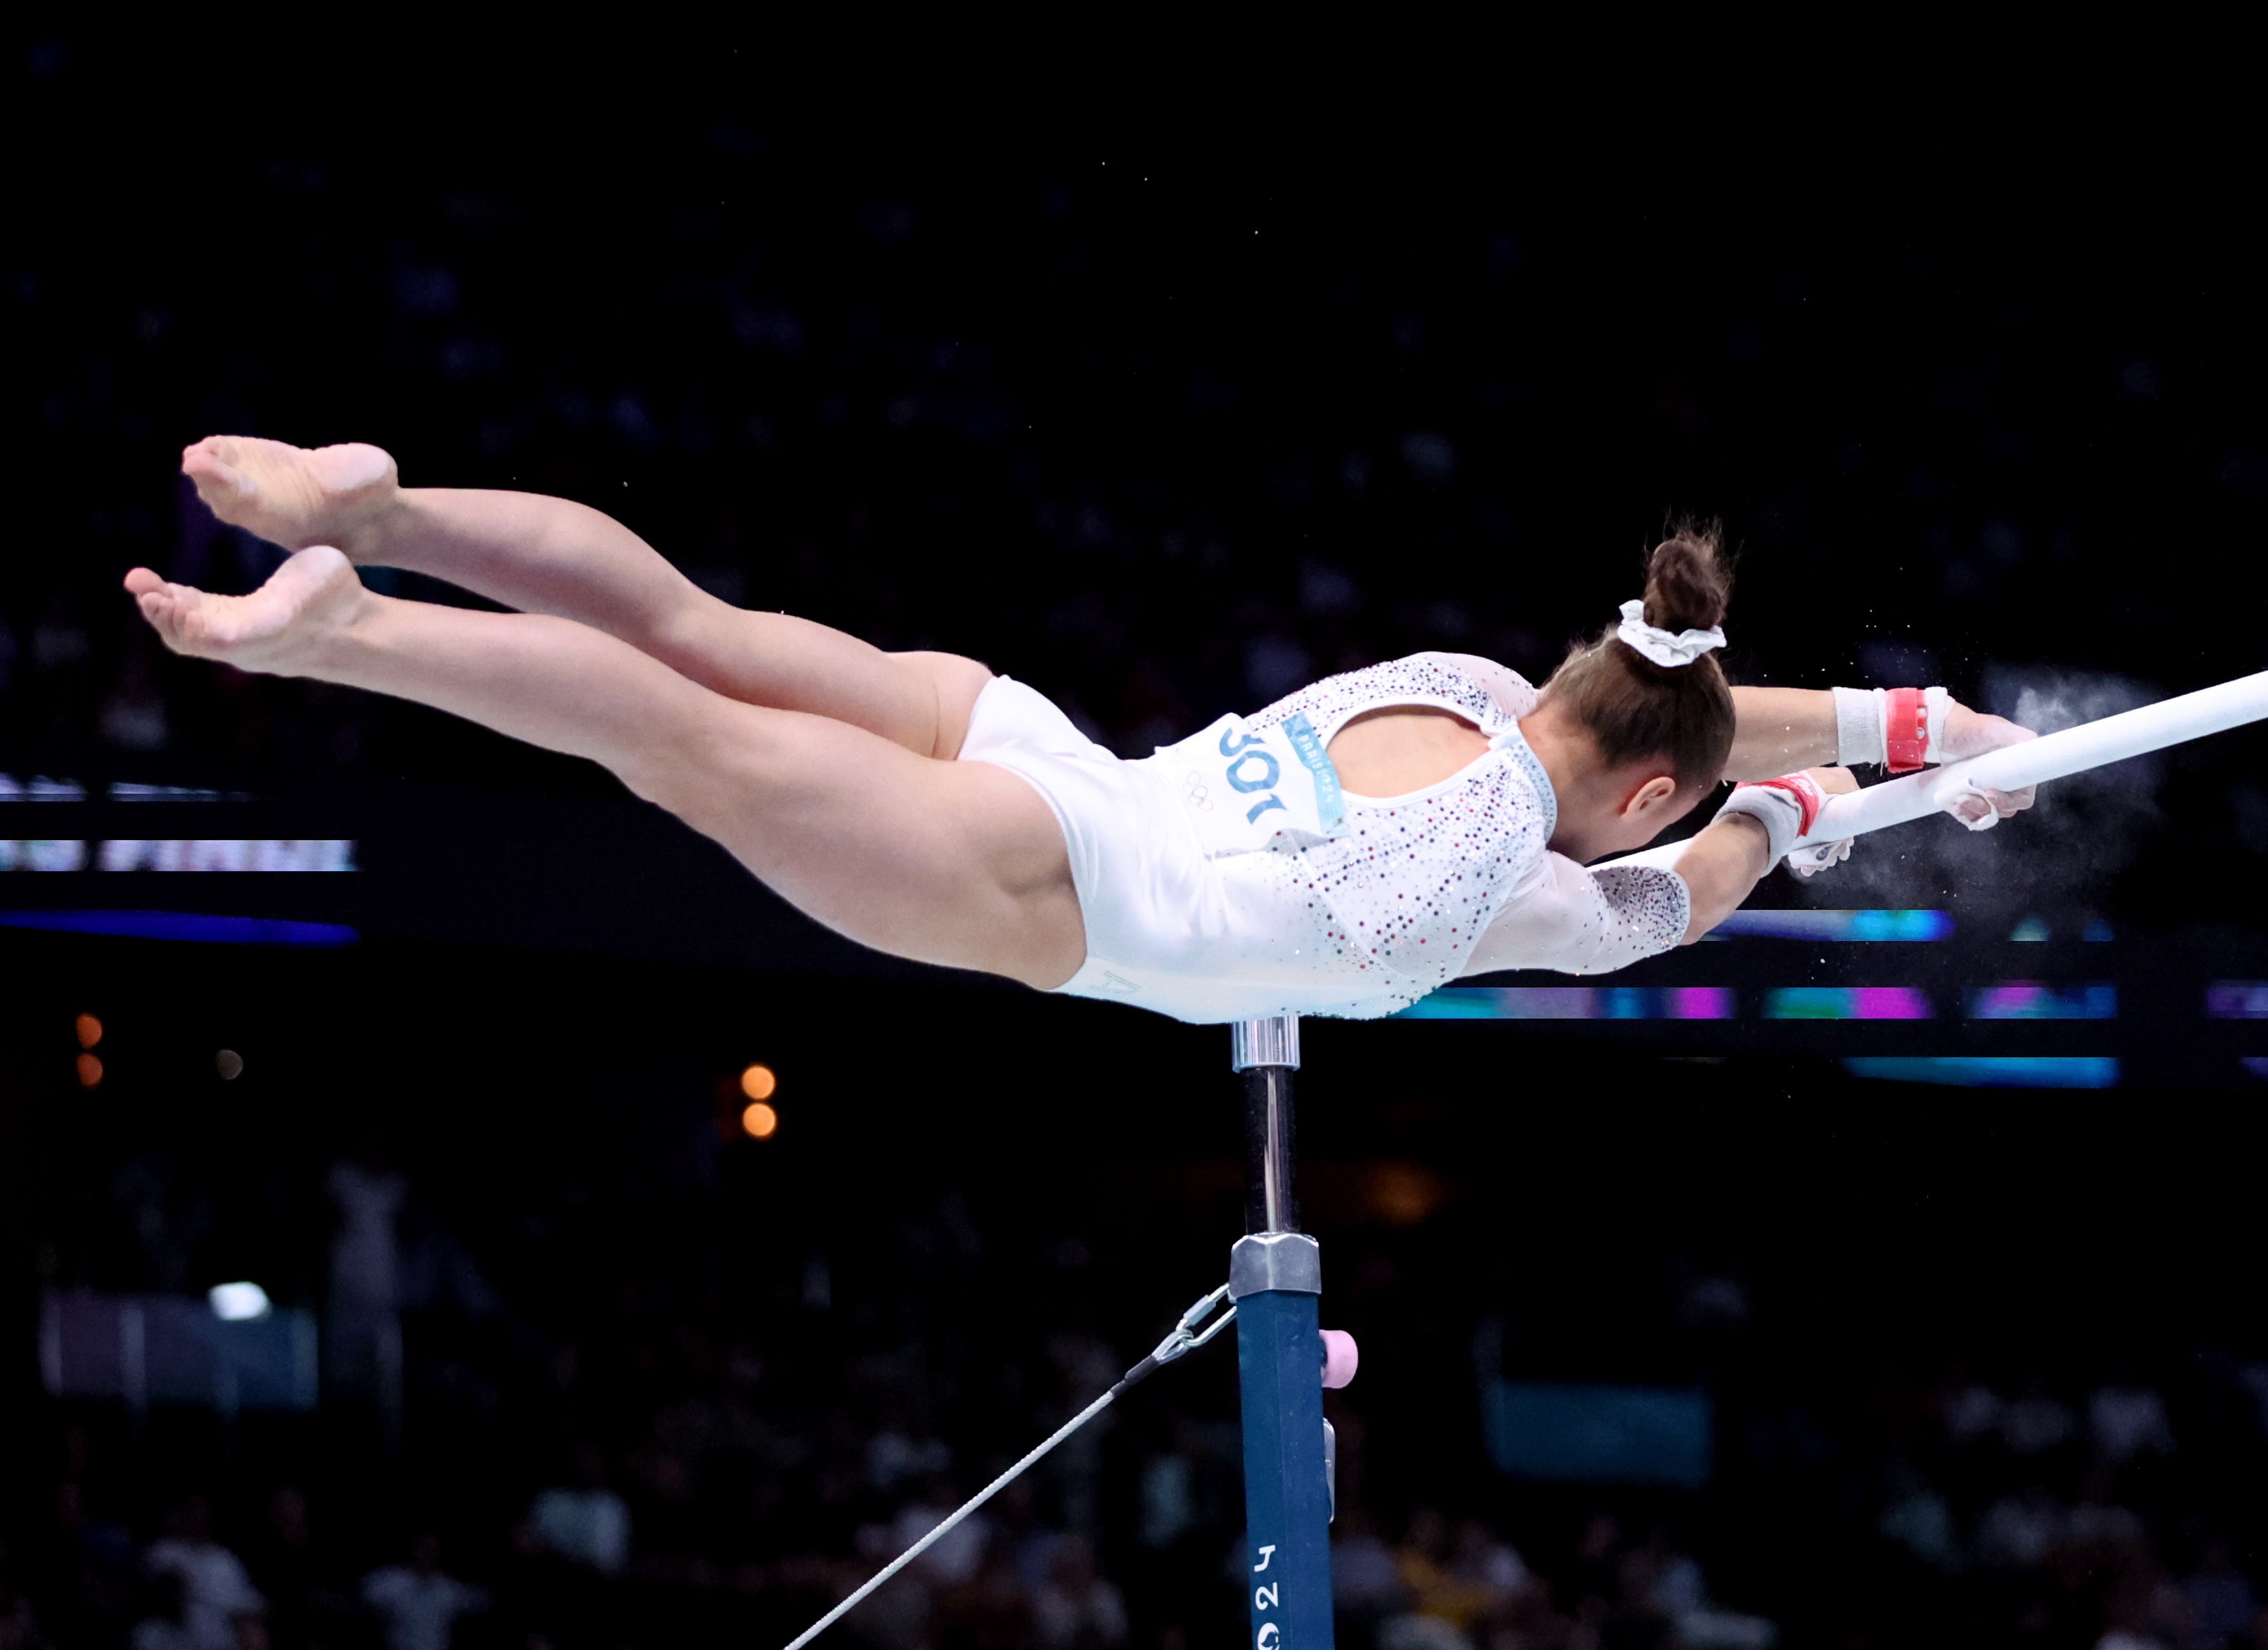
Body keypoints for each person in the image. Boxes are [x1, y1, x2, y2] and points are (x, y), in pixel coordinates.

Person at [129, 438, 2036, 1022]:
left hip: (1038, 747)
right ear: (1632, 793)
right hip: (1050, 878)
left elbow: (1681, 710)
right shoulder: (1497, 895)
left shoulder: (1467, 687)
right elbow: (1685, 886)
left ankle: (369, 517)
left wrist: (1898, 724)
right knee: (671, 741)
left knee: (691, 632)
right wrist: (1802, 805)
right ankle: (340, 630)